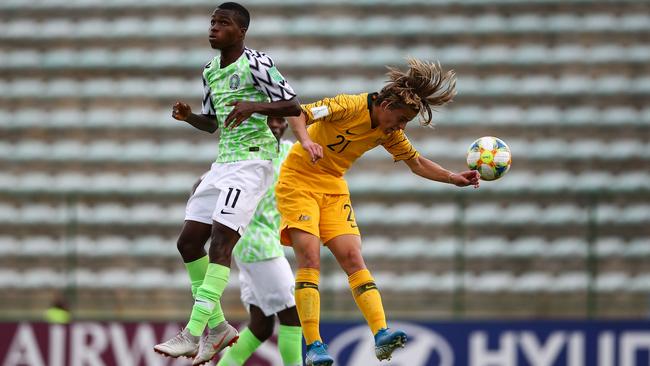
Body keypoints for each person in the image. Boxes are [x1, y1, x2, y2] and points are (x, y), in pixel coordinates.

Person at [276, 58, 480, 365]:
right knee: (310, 257)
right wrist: (305, 141)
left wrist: (453, 177)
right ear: (384, 104)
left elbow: (417, 163)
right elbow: (299, 112)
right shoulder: (347, 105)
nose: (401, 127)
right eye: (400, 119)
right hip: (298, 180)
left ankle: (381, 334)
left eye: (405, 123)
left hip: (332, 186)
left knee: (353, 257)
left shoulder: (388, 133)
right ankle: (314, 345)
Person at [153, 3, 300, 366]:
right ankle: (218, 327)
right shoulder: (209, 71)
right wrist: (190, 118)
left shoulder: (257, 62)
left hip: (253, 161)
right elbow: (214, 124)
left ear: (241, 31)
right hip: (224, 162)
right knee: (187, 241)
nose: (214, 28)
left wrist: (255, 106)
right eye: (212, 22)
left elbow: (293, 104)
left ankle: (194, 330)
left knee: (221, 242)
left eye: (223, 23)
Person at [216, 117, 302, 366]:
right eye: (269, 120)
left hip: (264, 243)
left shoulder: (288, 151)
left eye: (280, 120)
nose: (276, 124)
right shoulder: (246, 151)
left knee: (261, 326)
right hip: (256, 243)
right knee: (293, 315)